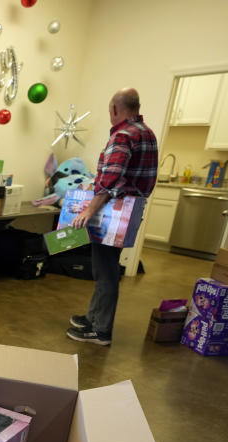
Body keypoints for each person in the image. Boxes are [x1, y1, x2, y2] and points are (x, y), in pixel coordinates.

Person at [67, 87, 158, 345]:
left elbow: (110, 180)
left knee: (105, 272)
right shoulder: (147, 133)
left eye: (109, 110)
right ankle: (93, 317)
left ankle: (101, 330)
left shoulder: (123, 135)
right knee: (104, 268)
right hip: (131, 211)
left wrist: (88, 209)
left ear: (116, 109)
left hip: (114, 213)